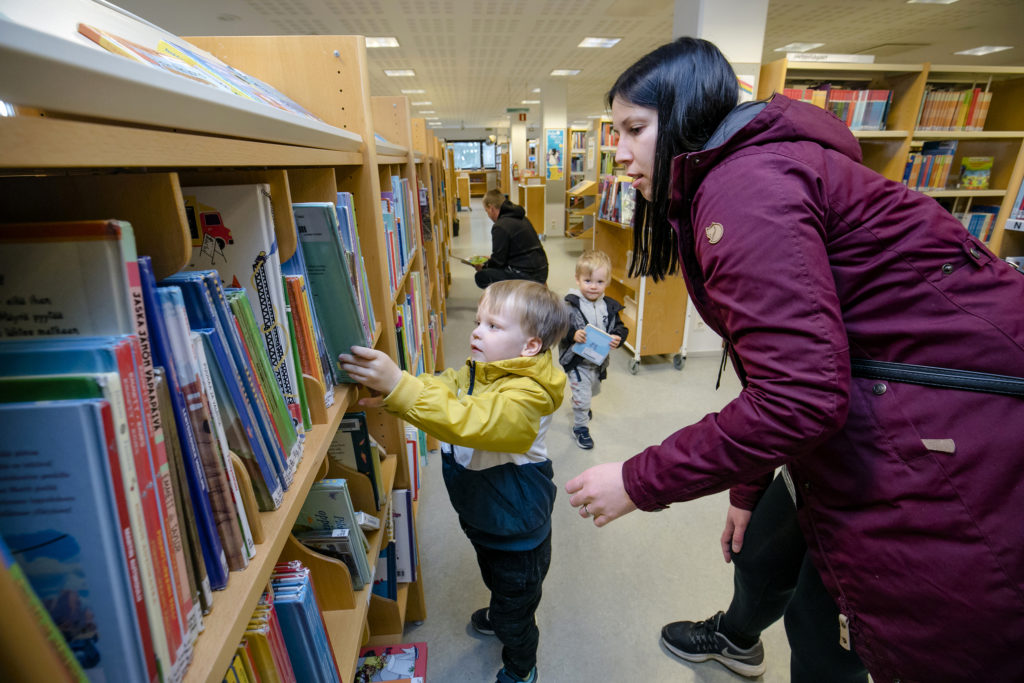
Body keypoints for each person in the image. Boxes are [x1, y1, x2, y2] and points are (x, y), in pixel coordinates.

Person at [564, 36, 1024, 682]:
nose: (618, 152)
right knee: (761, 553)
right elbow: (785, 362)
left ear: (686, 112)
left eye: (634, 128)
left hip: (939, 430)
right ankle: (738, 636)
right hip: (870, 406)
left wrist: (639, 480)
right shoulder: (742, 175)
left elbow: (799, 396)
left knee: (832, 629)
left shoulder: (742, 189)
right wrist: (748, 482)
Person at [340, 279, 569, 683]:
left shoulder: (528, 395)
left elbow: (472, 422)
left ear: (530, 346)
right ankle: (502, 609)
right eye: (479, 321)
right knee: (495, 578)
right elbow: (447, 383)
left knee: (517, 609)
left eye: (494, 326)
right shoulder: (483, 368)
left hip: (519, 530)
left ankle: (521, 665)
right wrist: (399, 391)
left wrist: (400, 386)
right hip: (486, 516)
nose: (477, 330)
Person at [661, 474, 867, 681]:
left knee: (823, 641)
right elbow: (762, 441)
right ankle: (735, 639)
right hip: (815, 468)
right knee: (758, 555)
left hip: (874, 524)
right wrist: (747, 492)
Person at [557, 249, 628, 450]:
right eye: (588, 281)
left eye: (599, 282)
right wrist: (572, 334)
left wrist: (618, 337)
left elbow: (620, 327)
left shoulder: (610, 306)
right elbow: (558, 326)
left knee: (594, 389)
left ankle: (581, 401)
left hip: (598, 361)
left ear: (607, 282)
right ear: (577, 280)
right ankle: (580, 427)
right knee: (583, 397)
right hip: (577, 361)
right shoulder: (570, 304)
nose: (593, 287)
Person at [474, 189, 549, 288]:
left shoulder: (500, 226)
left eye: (486, 211)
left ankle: (514, 295)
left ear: (491, 208)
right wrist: (490, 260)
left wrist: (483, 266)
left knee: (481, 276)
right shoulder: (522, 218)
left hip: (527, 274)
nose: (488, 215)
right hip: (542, 270)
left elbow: (498, 262)